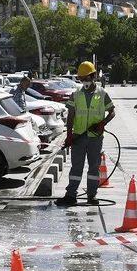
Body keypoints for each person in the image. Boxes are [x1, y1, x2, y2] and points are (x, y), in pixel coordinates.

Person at [55, 62, 115, 207]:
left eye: (86, 77)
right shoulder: (76, 95)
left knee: (94, 168)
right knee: (76, 167)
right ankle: (71, 195)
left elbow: (112, 112)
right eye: (81, 78)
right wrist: (69, 135)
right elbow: (70, 116)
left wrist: (102, 123)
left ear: (93, 76)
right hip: (78, 138)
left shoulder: (102, 94)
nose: (84, 81)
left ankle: (91, 195)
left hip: (95, 138)